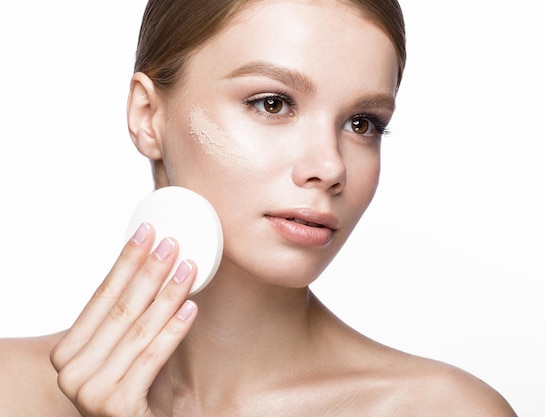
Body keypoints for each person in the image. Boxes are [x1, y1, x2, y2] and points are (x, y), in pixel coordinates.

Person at [0, 0, 517, 415]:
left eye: (363, 123)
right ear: (147, 115)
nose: (330, 166)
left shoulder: (442, 409)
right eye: (273, 103)